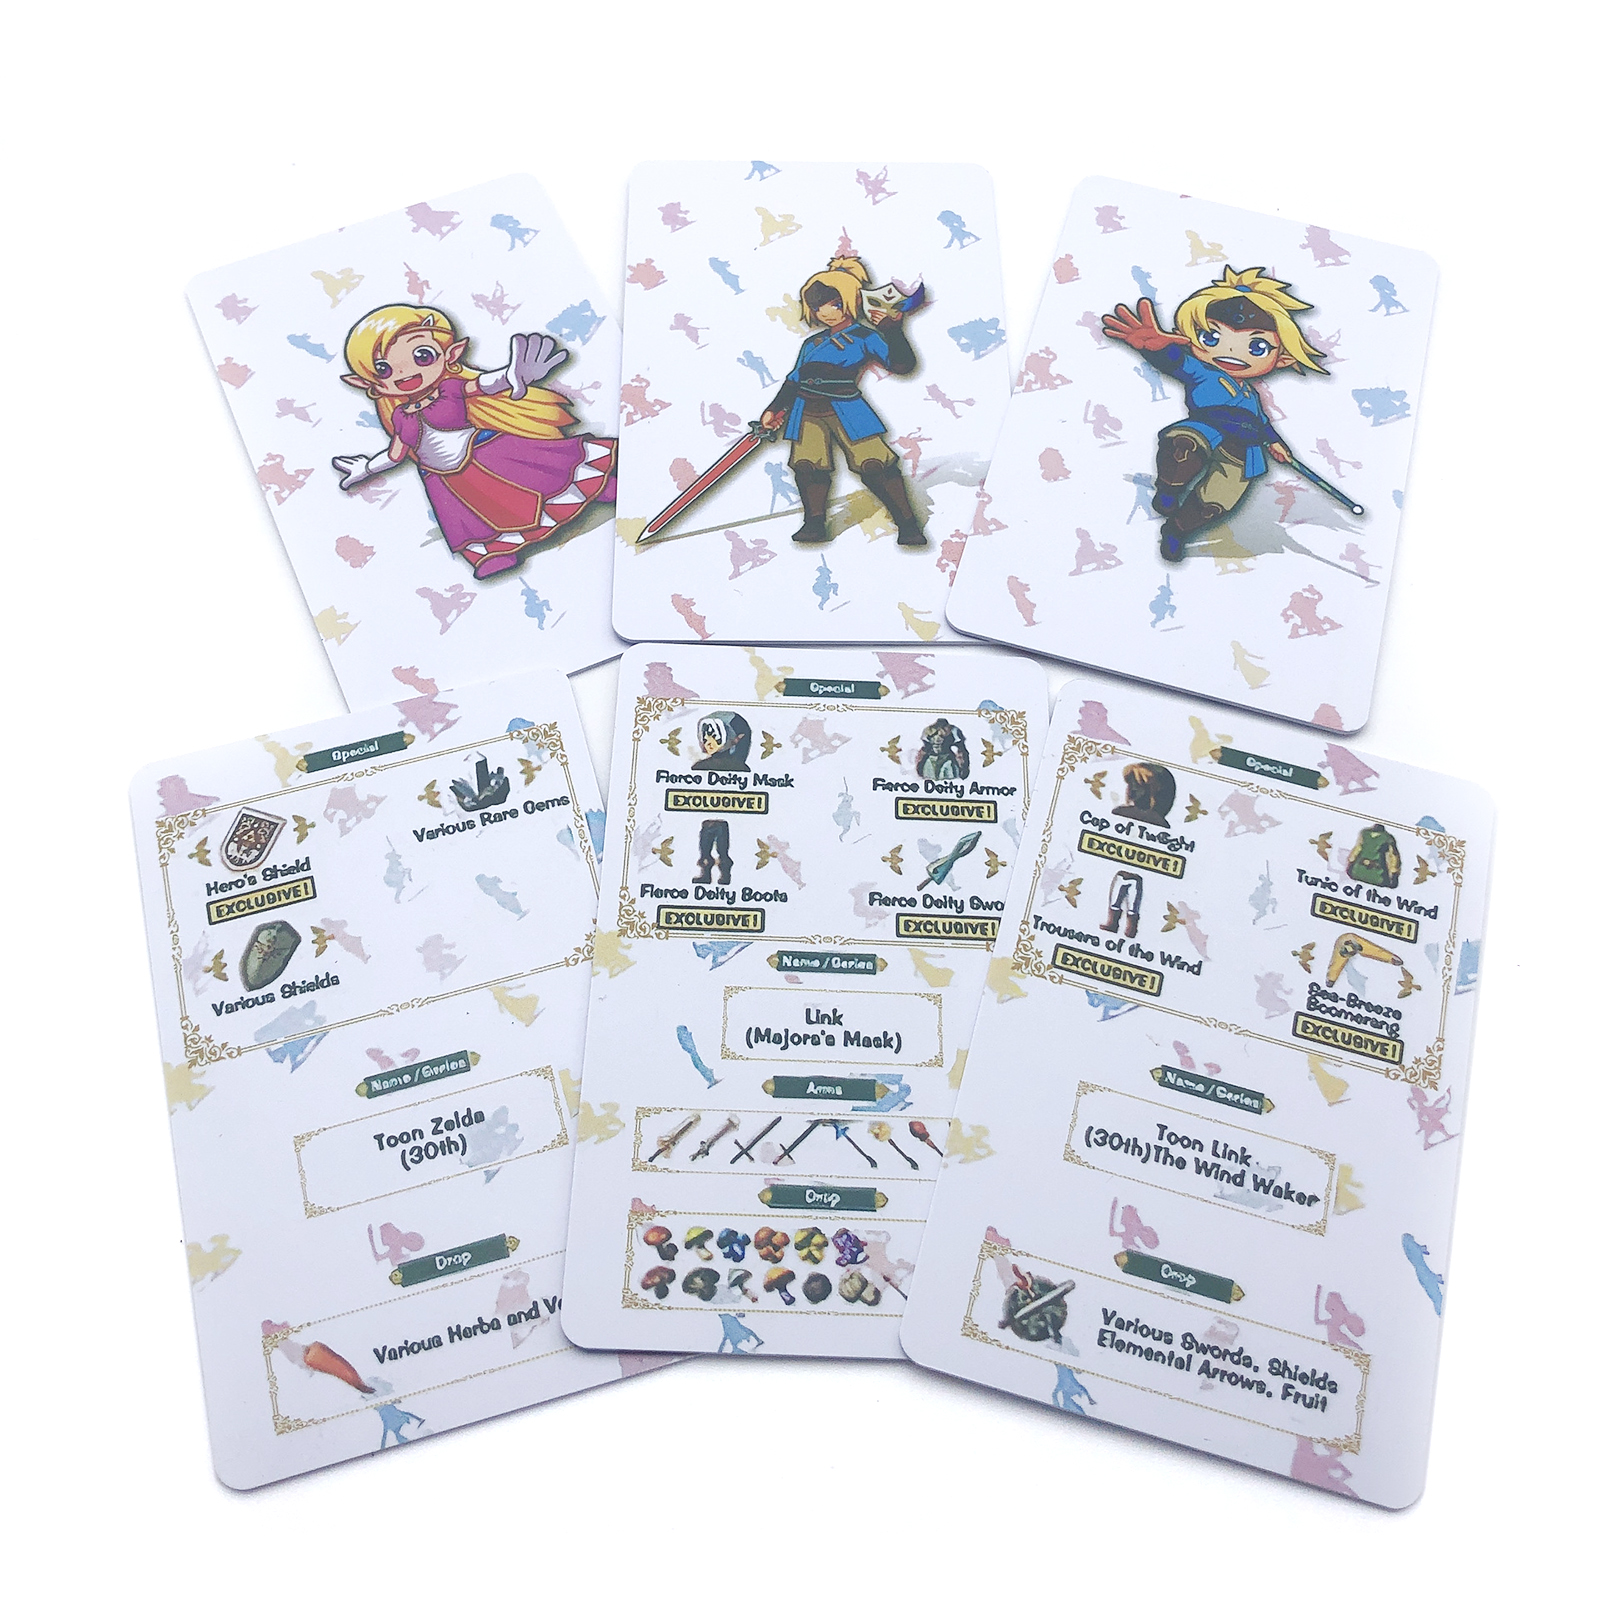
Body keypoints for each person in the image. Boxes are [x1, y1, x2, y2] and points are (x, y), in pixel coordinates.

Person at [332, 306, 617, 579]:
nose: (405, 372)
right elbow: (396, 454)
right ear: (368, 383)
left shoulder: (449, 388)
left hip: (484, 452)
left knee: (542, 474)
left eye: (422, 355)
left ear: (451, 354)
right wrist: (366, 468)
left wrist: (510, 376)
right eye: (383, 369)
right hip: (445, 479)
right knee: (473, 519)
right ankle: (494, 554)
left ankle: (596, 486)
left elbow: (482, 385)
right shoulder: (401, 417)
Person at [1101, 267, 1327, 562]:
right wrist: (1155, 350)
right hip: (1206, 429)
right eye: (1211, 337)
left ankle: (1177, 530)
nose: (1231, 350)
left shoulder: (1250, 395)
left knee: (1214, 503)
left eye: (1257, 346)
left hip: (1243, 451)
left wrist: (1275, 443)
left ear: (1281, 357)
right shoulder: (1203, 371)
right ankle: (1169, 489)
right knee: (1183, 446)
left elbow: (1262, 422)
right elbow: (1176, 362)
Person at [760, 256, 927, 548]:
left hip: (847, 407)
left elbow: (902, 365)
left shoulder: (864, 336)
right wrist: (775, 409)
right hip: (806, 410)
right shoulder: (811, 344)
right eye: (818, 306)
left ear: (850, 302)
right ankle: (814, 524)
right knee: (808, 468)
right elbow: (794, 379)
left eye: (834, 304)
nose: (825, 312)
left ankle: (908, 525)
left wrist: (893, 330)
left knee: (875, 466)